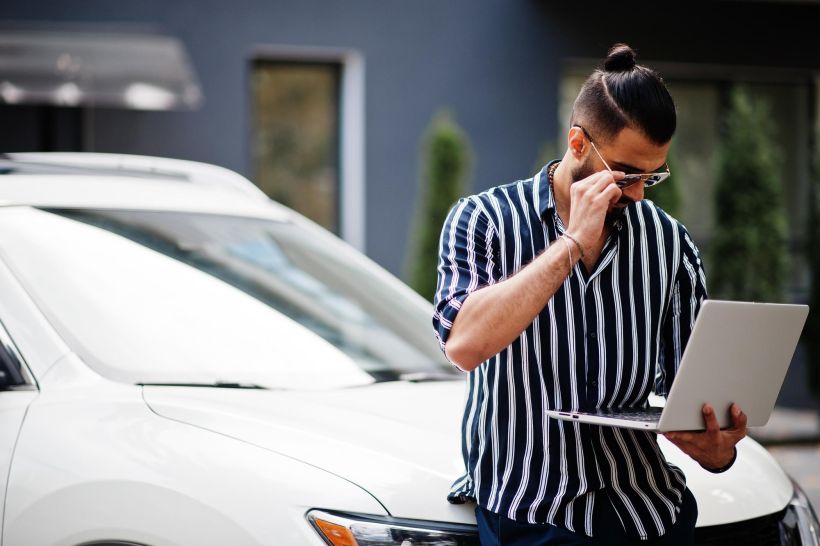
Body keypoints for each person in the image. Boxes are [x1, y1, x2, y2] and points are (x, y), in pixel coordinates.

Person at [432, 44, 748, 545]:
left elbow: (696, 392)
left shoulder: (669, 242)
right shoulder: (483, 220)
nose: (639, 193)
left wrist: (717, 447)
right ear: (577, 143)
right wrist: (571, 243)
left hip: (651, 512)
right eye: (625, 174)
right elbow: (464, 346)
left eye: (651, 176)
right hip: (532, 511)